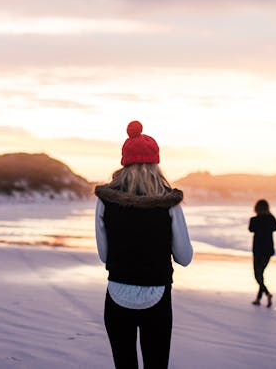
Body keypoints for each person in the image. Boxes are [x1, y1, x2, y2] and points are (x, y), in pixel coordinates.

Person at [95, 120, 193, 369]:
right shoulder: (168, 203)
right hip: (157, 295)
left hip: (117, 293)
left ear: (124, 163)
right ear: (155, 164)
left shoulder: (105, 202)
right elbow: (184, 257)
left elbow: (104, 255)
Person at [249, 199, 276, 307]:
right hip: (268, 251)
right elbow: (275, 227)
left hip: (257, 250)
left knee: (258, 275)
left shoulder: (254, 220)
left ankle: (266, 294)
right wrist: (269, 214)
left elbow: (251, 229)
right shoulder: (270, 219)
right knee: (261, 274)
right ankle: (259, 298)